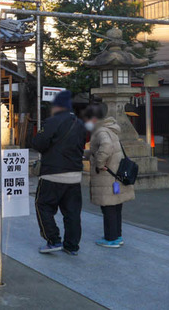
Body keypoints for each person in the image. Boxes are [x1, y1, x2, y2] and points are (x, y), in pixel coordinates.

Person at [31, 90, 86, 256]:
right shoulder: (80, 124)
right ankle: (72, 246)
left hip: (52, 173)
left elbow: (38, 143)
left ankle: (53, 240)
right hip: (75, 175)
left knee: (43, 205)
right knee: (72, 212)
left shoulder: (52, 122)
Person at [84, 104, 135, 248]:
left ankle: (110, 238)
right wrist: (87, 154)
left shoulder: (100, 131)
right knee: (116, 206)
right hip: (115, 176)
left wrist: (99, 163)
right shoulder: (110, 129)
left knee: (108, 208)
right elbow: (103, 148)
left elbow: (106, 147)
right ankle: (117, 236)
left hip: (107, 176)